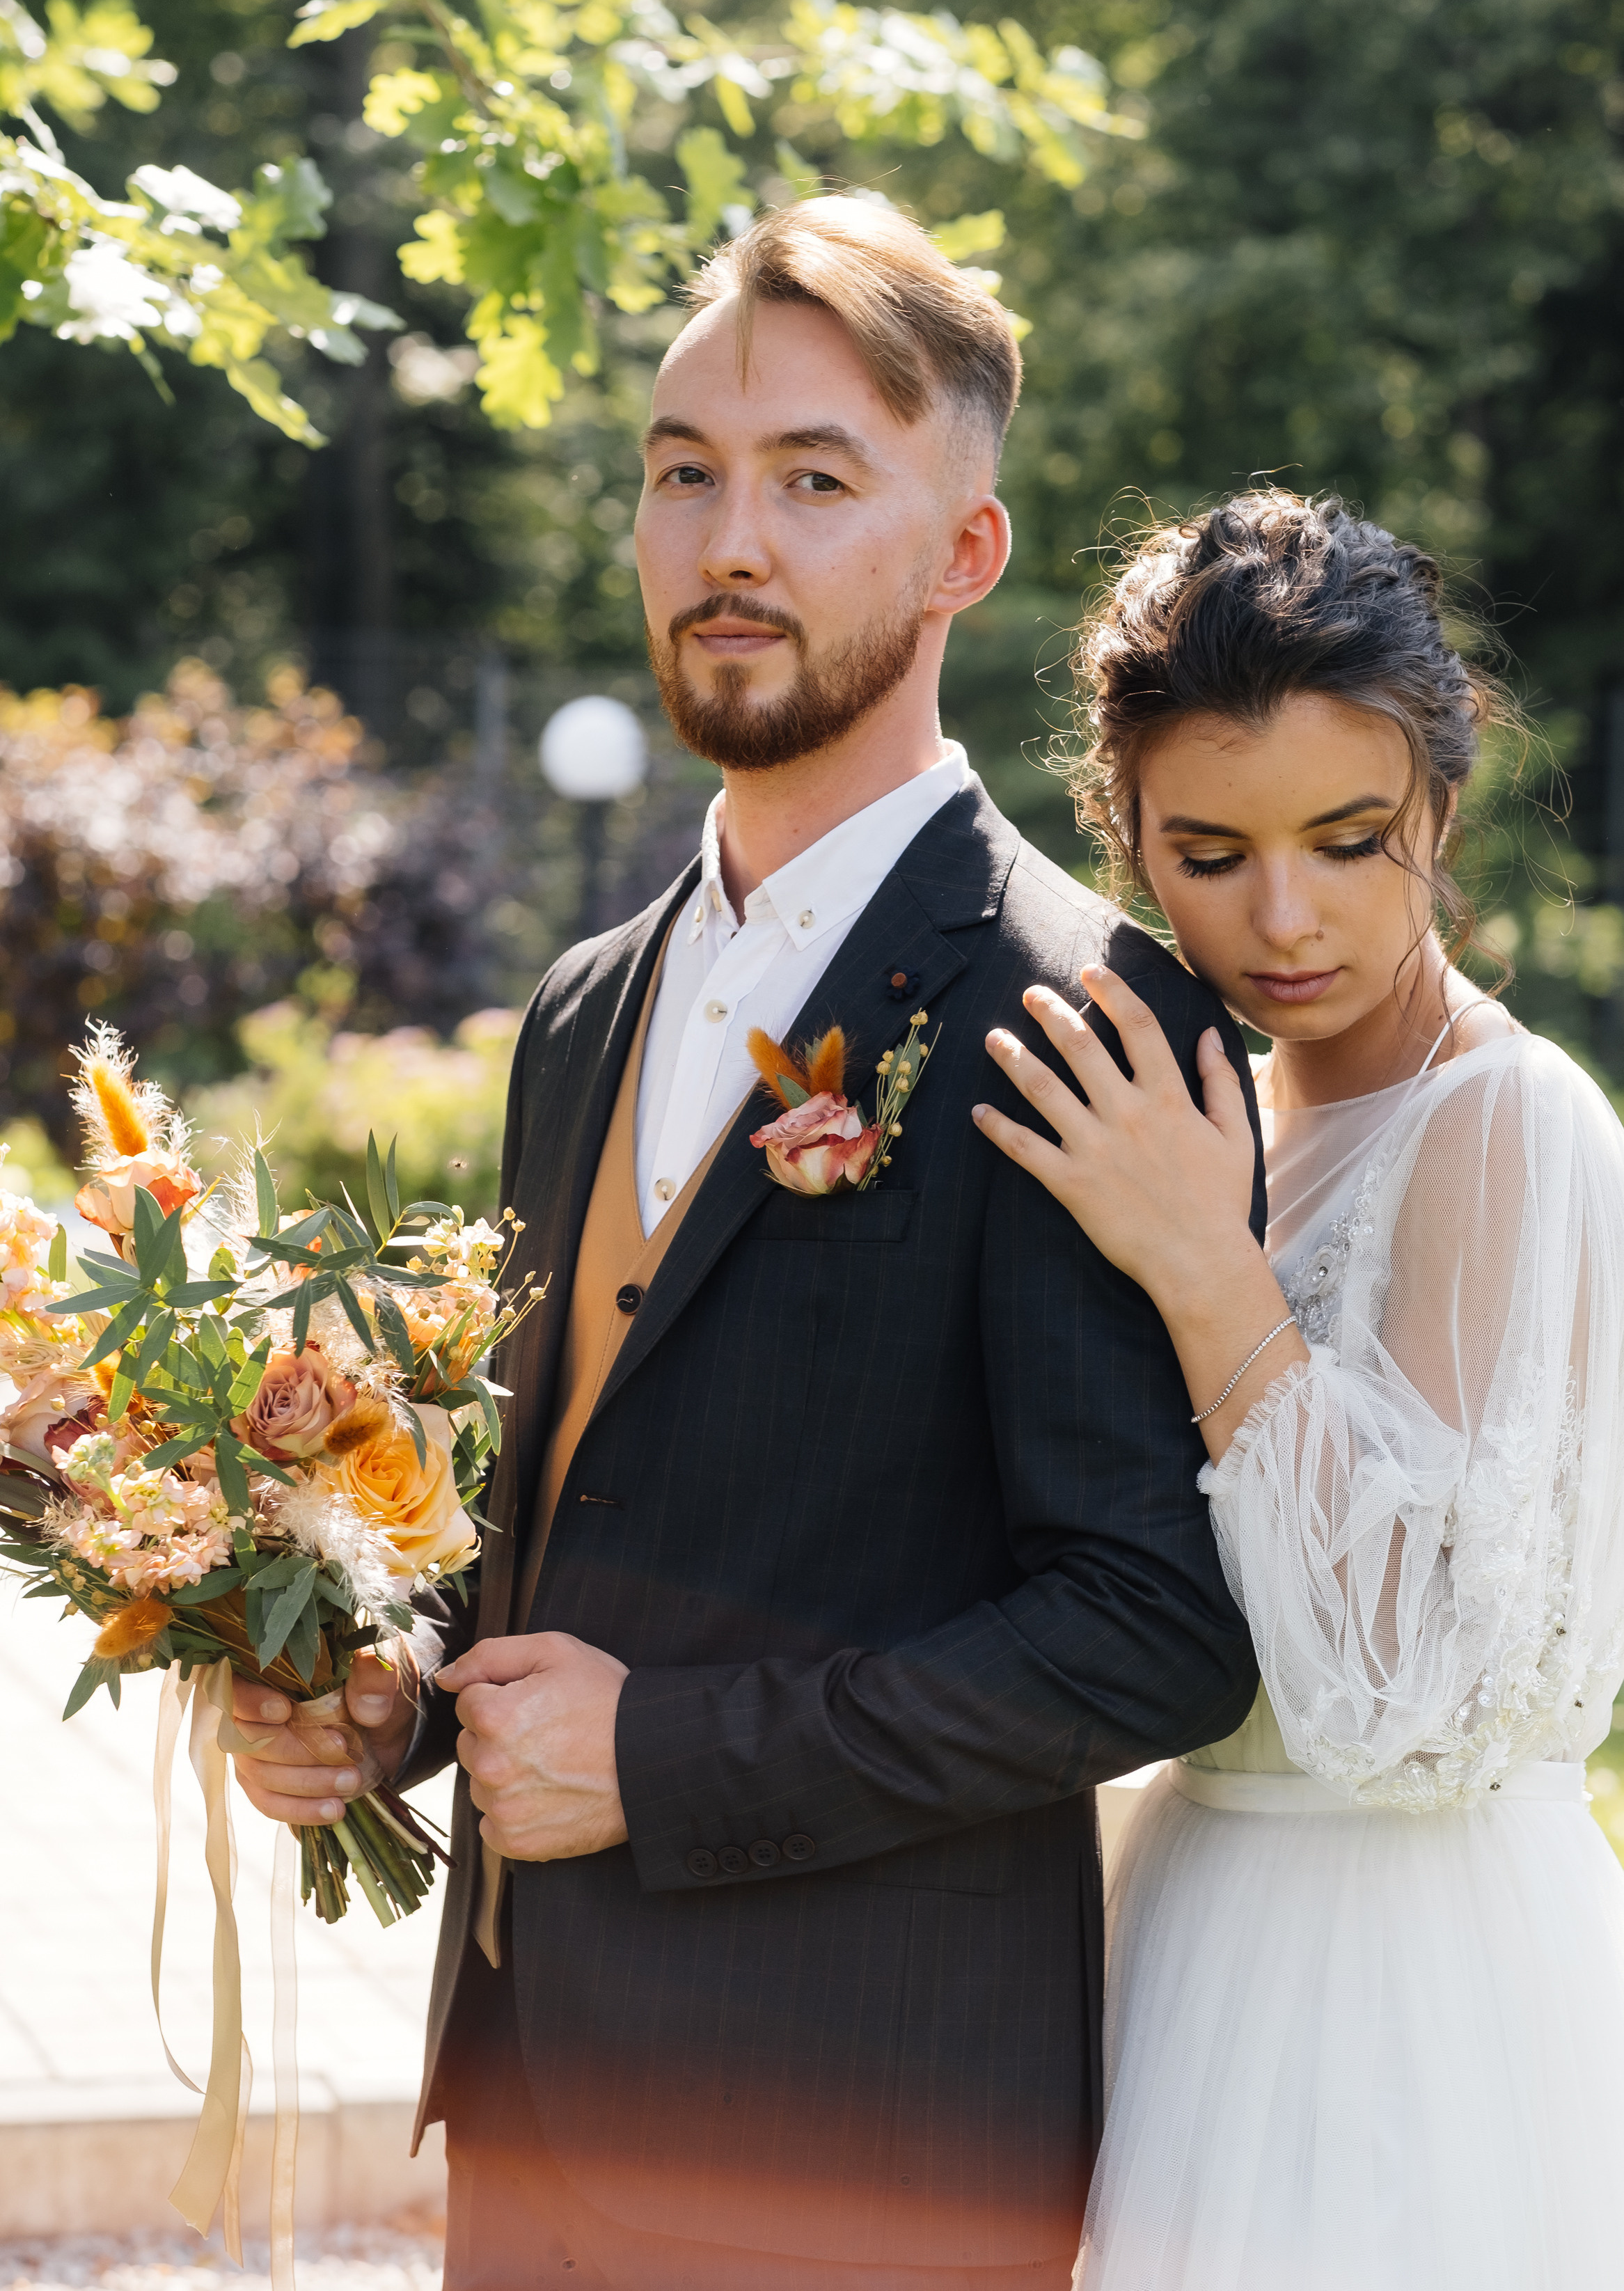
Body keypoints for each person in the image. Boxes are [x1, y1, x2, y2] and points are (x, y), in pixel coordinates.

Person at [225, 196, 1261, 2288]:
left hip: (861, 2161)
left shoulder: (1077, 1013)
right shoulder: (584, 1003)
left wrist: (664, 1759)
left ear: (964, 552)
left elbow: (1156, 1624)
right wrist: (380, 1702)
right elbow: (554, 1528)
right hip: (522, 2104)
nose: (730, 542)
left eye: (814, 479)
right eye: (683, 471)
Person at [973, 487, 1624, 2291]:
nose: (1283, 918)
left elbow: (1407, 1691)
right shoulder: (1233, 1117)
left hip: (1415, 1986)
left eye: (1350, 840)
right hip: (1202, 1918)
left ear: (1443, 797)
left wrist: (1203, 1269)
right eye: (1209, 851)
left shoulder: (1510, 1123)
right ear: (1125, 833)